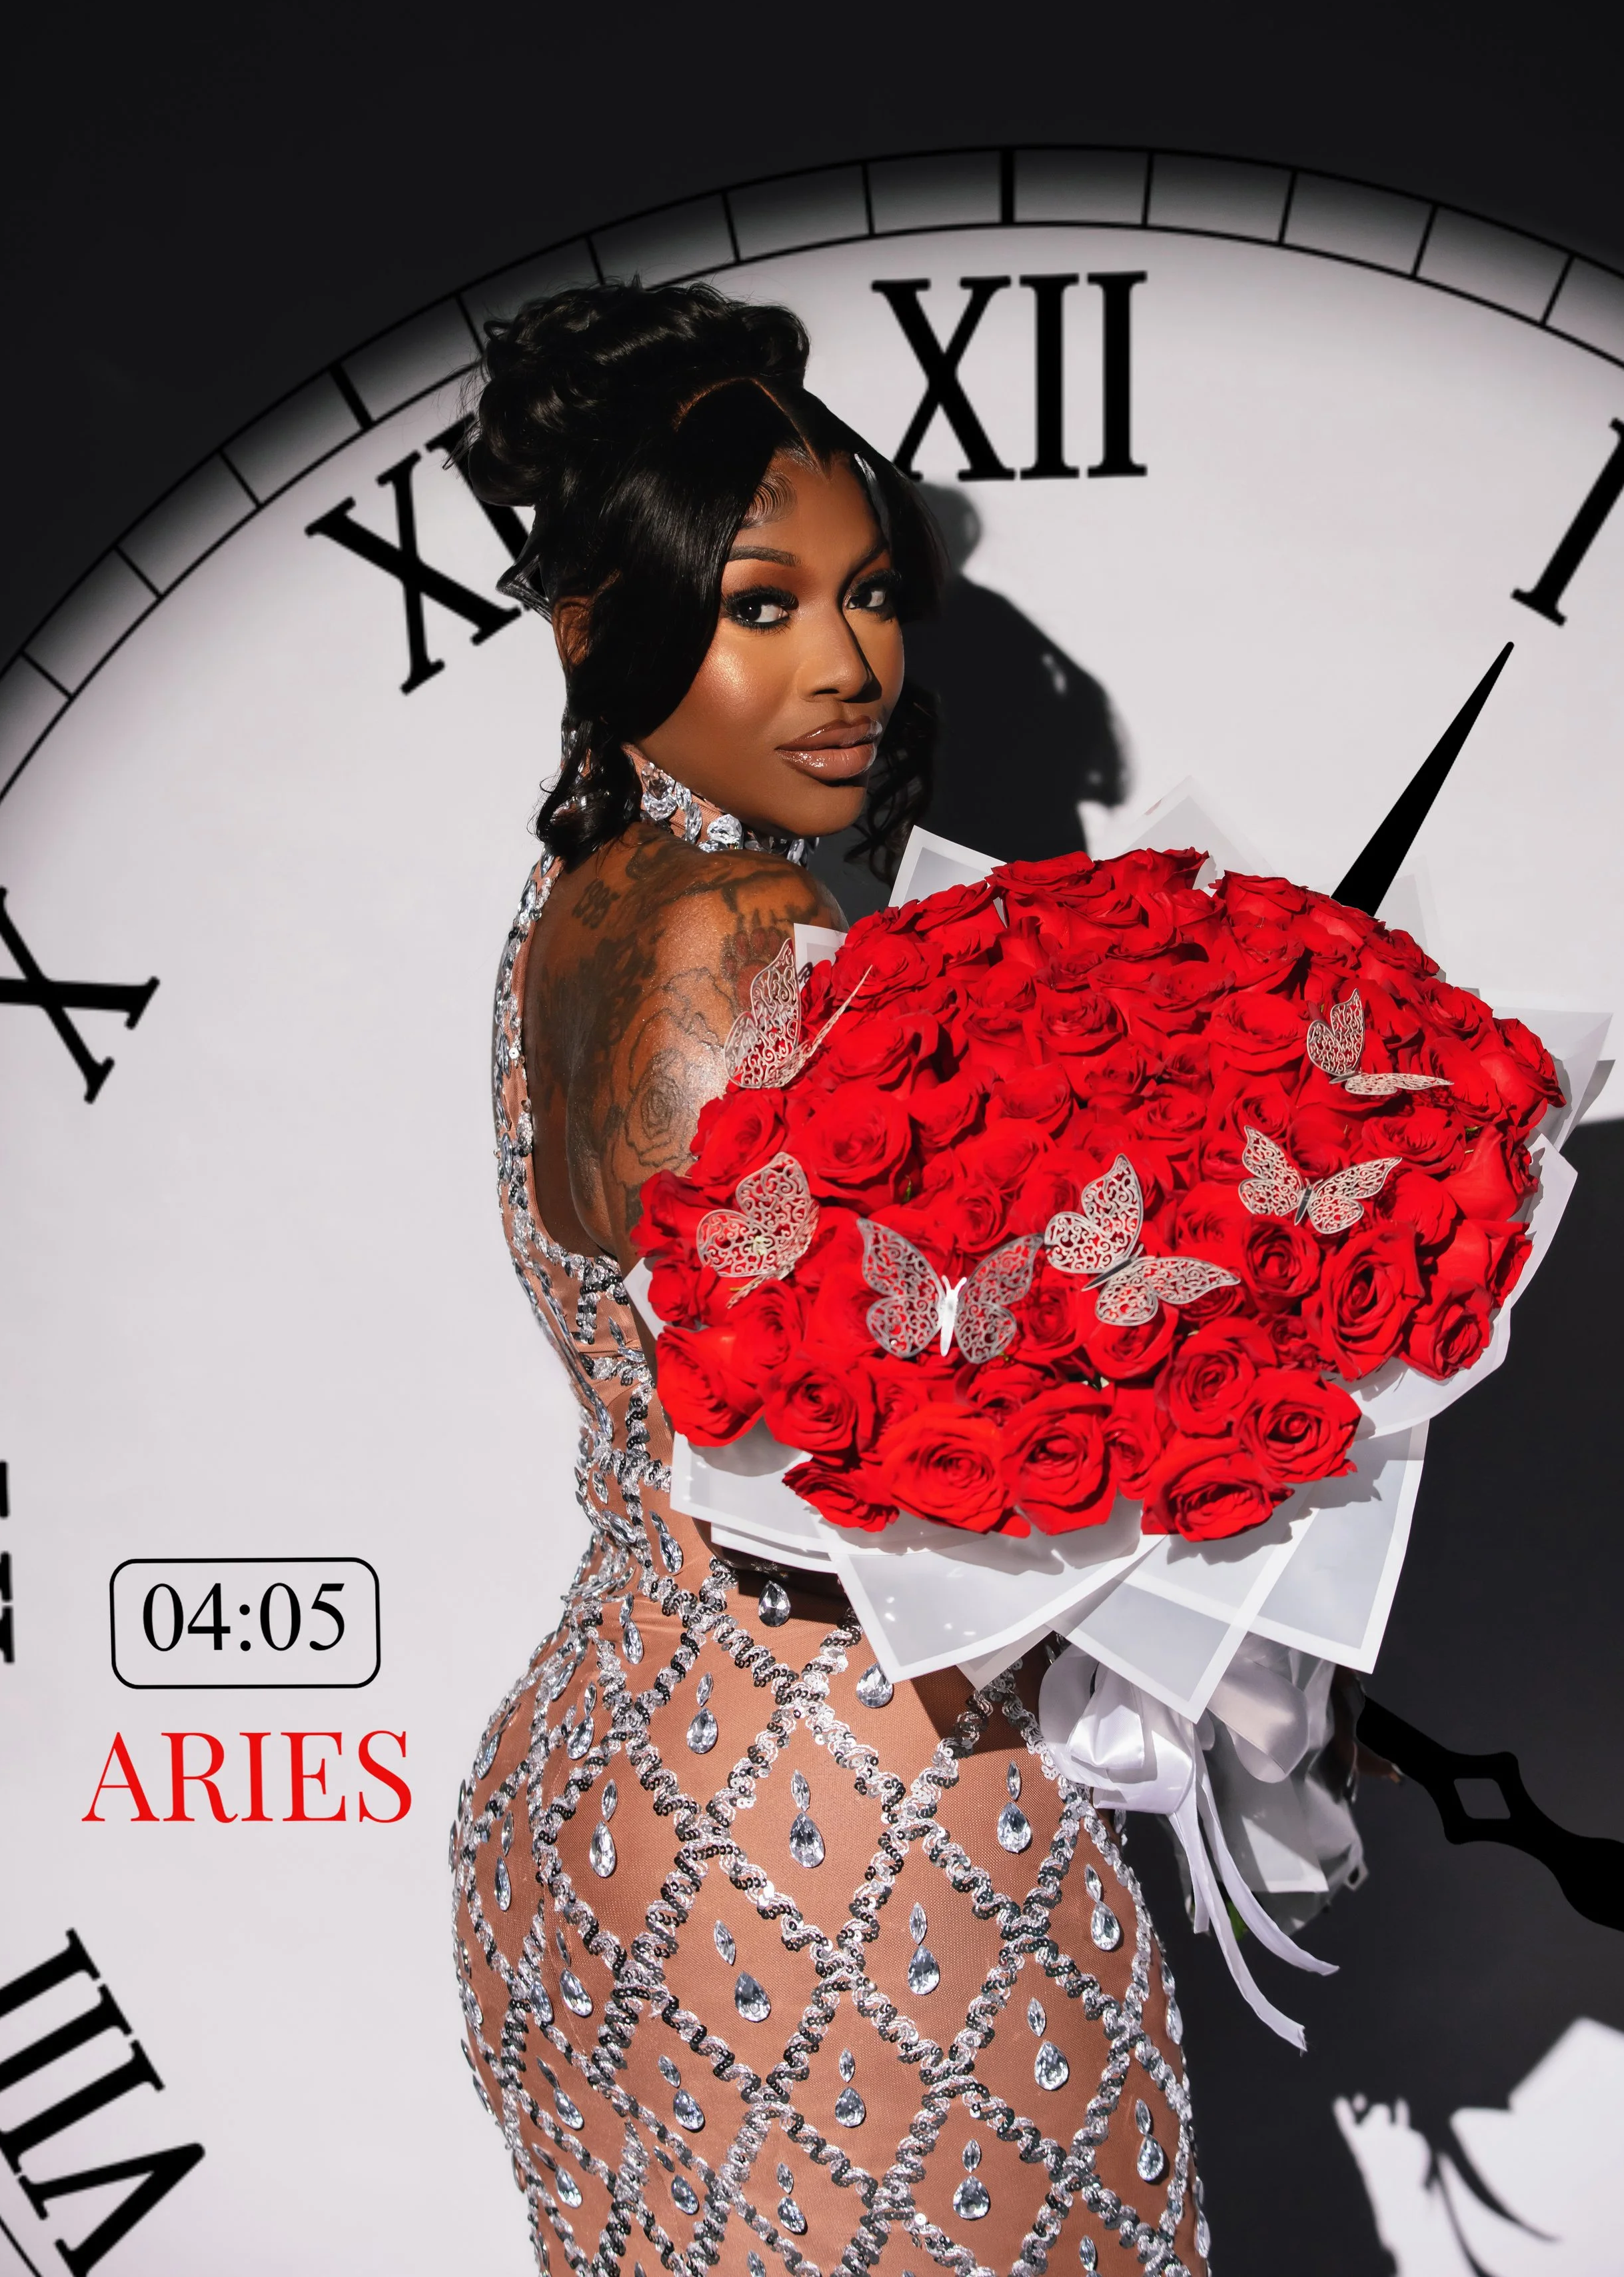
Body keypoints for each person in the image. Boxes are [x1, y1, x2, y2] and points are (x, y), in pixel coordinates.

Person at [450, 281, 1208, 2277]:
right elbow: (854, 1445)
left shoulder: (578, 900)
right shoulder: (751, 925)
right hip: (839, 1815)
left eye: (868, 596)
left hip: (618, 1761)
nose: (848, 662)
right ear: (593, 625)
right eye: (761, 604)